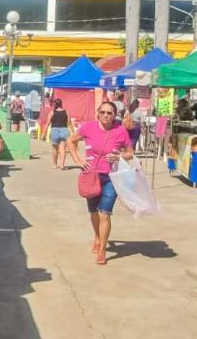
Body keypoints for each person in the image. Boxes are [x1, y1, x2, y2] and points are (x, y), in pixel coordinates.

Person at [66, 101, 134, 266]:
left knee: (104, 213)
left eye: (109, 113)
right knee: (93, 212)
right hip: (91, 176)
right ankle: (97, 236)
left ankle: (102, 249)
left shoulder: (121, 131)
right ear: (98, 113)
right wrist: (78, 160)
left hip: (111, 177)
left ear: (114, 115)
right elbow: (70, 140)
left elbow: (130, 153)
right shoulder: (88, 127)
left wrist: (119, 157)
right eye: (103, 112)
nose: (105, 115)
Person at [49, 99, 72, 169]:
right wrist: (73, 131)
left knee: (54, 149)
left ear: (55, 105)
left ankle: (54, 164)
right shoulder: (66, 112)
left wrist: (43, 134)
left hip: (55, 130)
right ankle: (62, 165)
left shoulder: (52, 112)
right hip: (64, 130)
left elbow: (47, 123)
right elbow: (69, 123)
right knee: (62, 149)